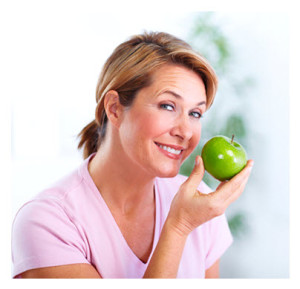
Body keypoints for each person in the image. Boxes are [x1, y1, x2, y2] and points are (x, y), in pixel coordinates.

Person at [11, 31, 254, 278]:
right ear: (115, 109)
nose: (185, 132)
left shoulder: (199, 202)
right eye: (168, 106)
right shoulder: (47, 222)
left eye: (195, 114)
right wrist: (179, 227)